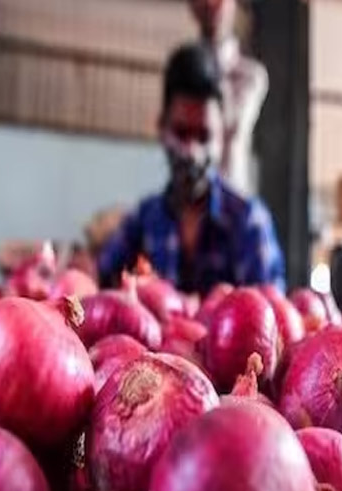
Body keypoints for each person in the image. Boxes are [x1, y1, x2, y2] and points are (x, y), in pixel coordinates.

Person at [98, 43, 285, 296]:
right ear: (161, 129)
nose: (191, 151)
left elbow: (272, 318)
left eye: (204, 136)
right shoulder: (143, 220)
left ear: (221, 138)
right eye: (181, 132)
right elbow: (100, 283)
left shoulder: (249, 222)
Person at [190, 0, 267, 195]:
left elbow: (232, 126)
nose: (209, 5)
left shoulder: (251, 76)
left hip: (233, 194)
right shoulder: (185, 70)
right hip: (190, 200)